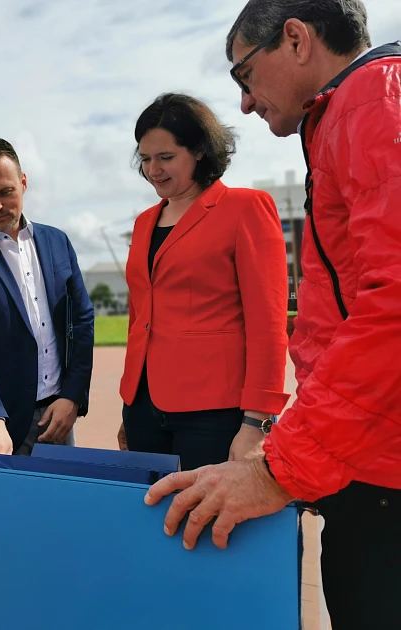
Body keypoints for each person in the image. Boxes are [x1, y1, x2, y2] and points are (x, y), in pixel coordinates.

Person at [144, 2, 401, 628]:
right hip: (361, 445)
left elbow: (390, 303)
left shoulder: (372, 101)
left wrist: (280, 463)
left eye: (243, 75)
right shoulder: (348, 113)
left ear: (296, 39)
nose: (245, 102)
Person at [117, 93, 289, 471]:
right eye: (145, 158)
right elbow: (139, 316)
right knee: (150, 523)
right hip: (143, 407)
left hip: (213, 414)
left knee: (210, 525)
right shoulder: (145, 222)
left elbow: (268, 324)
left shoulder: (246, 208)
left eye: (165, 157)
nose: (153, 170)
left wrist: (257, 423)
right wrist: (131, 404)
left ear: (199, 151)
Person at [0, 138, 94, 456]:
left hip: (57, 418)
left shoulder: (58, 242)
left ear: (23, 183)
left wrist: (72, 397)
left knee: (56, 506)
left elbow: (82, 320)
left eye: (5, 192)